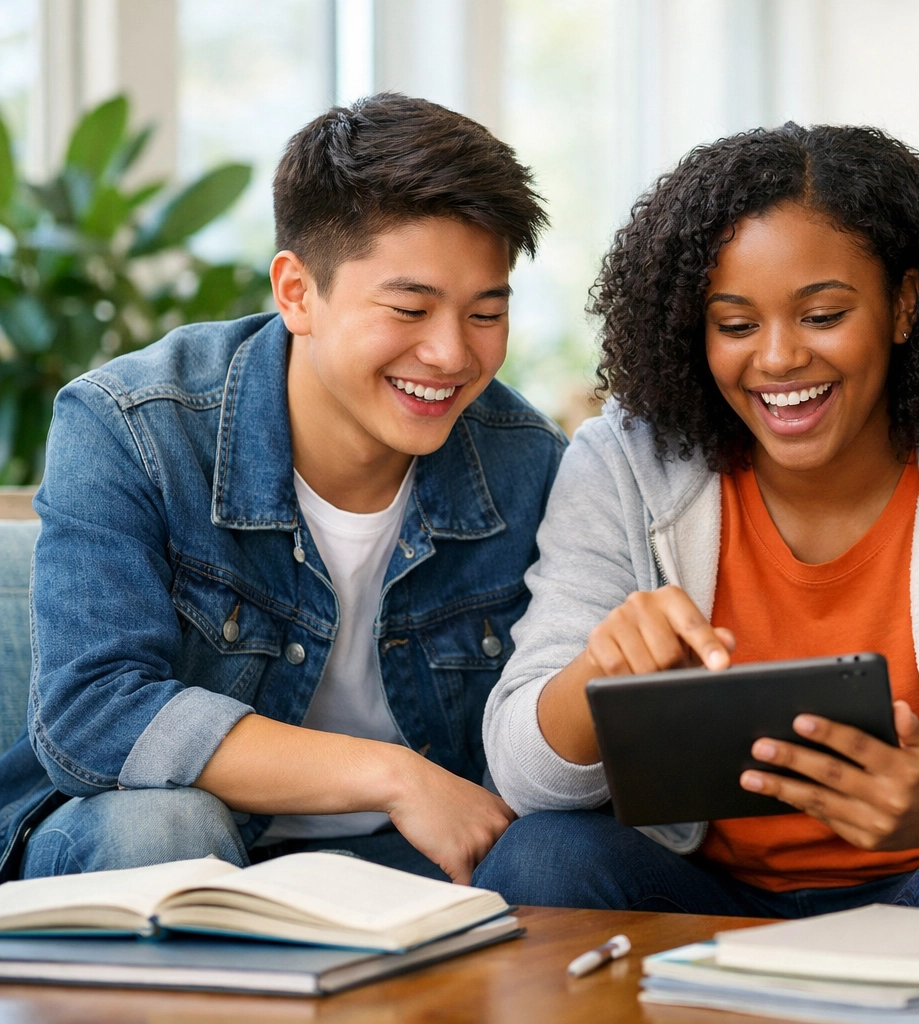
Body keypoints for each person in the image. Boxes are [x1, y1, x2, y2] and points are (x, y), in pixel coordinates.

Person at [472, 123, 919, 918]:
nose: (777, 359)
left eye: (821, 316)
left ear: (904, 305)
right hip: (695, 893)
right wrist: (594, 679)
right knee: (540, 857)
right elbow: (522, 772)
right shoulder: (623, 463)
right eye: (736, 325)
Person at [0, 93, 563, 885]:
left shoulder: (526, 463)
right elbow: (93, 712)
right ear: (297, 293)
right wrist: (392, 774)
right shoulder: (130, 427)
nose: (450, 354)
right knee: (166, 824)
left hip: (405, 863)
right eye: (411, 307)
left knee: (560, 853)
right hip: (160, 841)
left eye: (486, 313)